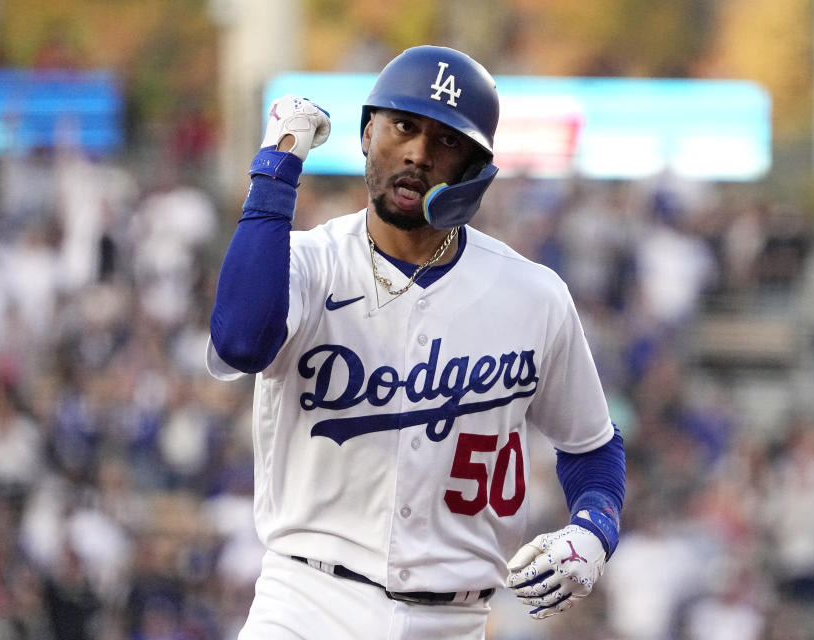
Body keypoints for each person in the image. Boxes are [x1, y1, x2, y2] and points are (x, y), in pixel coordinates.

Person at [206, 45, 626, 640]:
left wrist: (593, 530)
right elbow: (241, 343)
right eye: (404, 126)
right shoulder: (304, 264)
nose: (418, 153)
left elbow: (593, 446)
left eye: (447, 140)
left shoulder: (534, 296)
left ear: (476, 168)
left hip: (453, 621)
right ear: (366, 132)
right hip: (306, 604)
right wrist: (278, 165)